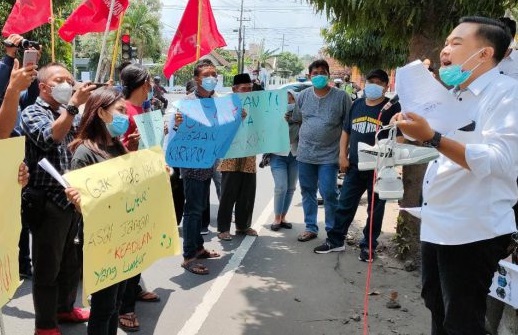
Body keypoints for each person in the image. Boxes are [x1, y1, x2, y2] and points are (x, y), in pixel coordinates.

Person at [395, 16, 518, 334]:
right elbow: (438, 146)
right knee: (435, 303)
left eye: (456, 43)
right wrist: (413, 128)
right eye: (446, 42)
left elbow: (500, 160)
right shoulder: (453, 93)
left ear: (485, 54)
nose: (445, 50)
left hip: (473, 228)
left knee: (463, 318)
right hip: (438, 220)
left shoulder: (508, 95)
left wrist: (433, 137)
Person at [20, 62, 95, 335]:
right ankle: (45, 324)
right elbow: (49, 138)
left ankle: (65, 308)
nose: (68, 84)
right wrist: (73, 106)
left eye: (70, 80)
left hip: (72, 199)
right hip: (47, 202)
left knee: (70, 261)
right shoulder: (32, 113)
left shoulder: (69, 112)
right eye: (61, 80)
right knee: (47, 266)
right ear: (43, 86)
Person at [313, 69, 401, 260]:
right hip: (355, 166)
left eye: (378, 82)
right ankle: (335, 241)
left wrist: (392, 159)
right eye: (371, 81)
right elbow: (346, 131)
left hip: (380, 168)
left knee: (375, 209)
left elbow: (399, 137)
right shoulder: (357, 104)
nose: (373, 85)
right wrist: (342, 156)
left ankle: (368, 246)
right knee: (345, 204)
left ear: (386, 87)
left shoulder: (392, 108)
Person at [66, 87, 129, 335]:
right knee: (103, 307)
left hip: (124, 235)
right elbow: (82, 206)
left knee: (115, 303)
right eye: (120, 110)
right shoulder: (85, 152)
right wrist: (77, 200)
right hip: (102, 241)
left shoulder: (118, 146)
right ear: (102, 113)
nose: (125, 115)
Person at [118, 63, 160, 332]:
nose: (152, 86)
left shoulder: (144, 109)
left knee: (140, 243)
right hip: (126, 187)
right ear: (142, 83)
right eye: (149, 82)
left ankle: (133, 289)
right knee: (128, 247)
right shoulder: (122, 110)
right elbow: (114, 150)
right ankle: (124, 307)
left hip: (143, 182)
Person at [295, 59, 352, 242]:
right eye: (315, 73)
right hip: (305, 154)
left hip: (330, 155)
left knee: (328, 192)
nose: (319, 75)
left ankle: (332, 229)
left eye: (322, 72)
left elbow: (348, 126)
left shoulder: (342, 97)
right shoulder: (302, 96)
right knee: (307, 191)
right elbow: (295, 120)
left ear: (328, 75)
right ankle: (310, 227)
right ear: (309, 76)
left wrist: (344, 153)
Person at [174, 59, 222, 275]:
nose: (212, 78)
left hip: (209, 163)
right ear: (197, 79)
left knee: (201, 207)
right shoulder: (187, 103)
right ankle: (188, 256)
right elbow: (176, 132)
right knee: (192, 210)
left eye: (214, 74)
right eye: (207, 75)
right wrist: (177, 125)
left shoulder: (219, 102)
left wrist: (237, 119)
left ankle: (198, 248)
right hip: (193, 165)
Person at [216, 73, 258, 241]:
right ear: (234, 89)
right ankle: (223, 228)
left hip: (249, 153)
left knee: (247, 193)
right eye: (243, 89)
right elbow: (219, 129)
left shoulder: (257, 104)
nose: (247, 92)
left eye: (249, 89)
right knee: (228, 193)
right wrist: (235, 119)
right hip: (230, 155)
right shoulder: (224, 105)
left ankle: (243, 226)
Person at [270, 89, 300, 231]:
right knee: (280, 187)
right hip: (277, 156)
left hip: (295, 155)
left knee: (291, 188)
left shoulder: (301, 118)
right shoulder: (273, 116)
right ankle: (276, 218)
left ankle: (283, 217)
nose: (288, 103)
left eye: (291, 100)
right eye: (285, 100)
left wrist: (296, 120)